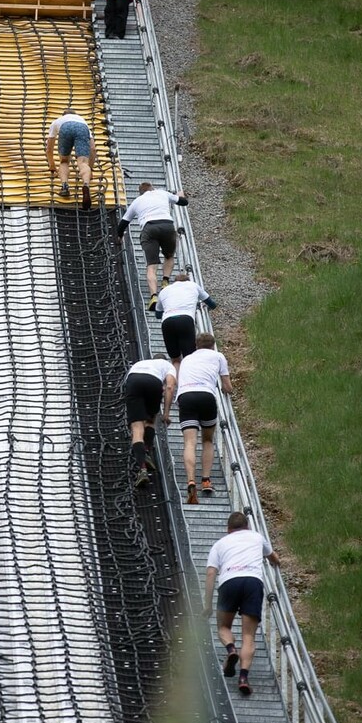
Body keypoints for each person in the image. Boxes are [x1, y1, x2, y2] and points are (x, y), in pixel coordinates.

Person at [203, 511, 281, 697]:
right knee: (249, 636)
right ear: (247, 526)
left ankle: (231, 649)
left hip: (229, 581)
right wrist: (278, 563)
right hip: (253, 582)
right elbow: (273, 558)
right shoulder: (256, 537)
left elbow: (211, 574)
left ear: (228, 529)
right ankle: (244, 678)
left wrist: (207, 605)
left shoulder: (220, 544)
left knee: (223, 626)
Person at [176, 332, 232, 504]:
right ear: (213, 345)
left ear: (196, 345)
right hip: (206, 396)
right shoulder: (218, 356)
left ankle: (190, 480)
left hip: (185, 396)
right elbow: (226, 385)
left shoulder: (187, 359)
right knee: (207, 440)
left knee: (189, 442)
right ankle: (206, 479)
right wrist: (228, 391)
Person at [117, 181, 189, 310]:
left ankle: (153, 297)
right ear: (153, 188)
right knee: (169, 256)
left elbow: (123, 222)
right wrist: (181, 195)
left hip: (149, 228)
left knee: (151, 265)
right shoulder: (162, 193)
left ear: (140, 192)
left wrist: (120, 235)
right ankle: (165, 281)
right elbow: (183, 202)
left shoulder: (137, 201)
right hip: (167, 225)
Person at [124, 354, 176, 489]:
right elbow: (169, 387)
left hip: (133, 380)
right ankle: (146, 450)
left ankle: (142, 469)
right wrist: (165, 413)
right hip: (153, 382)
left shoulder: (140, 363)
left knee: (136, 428)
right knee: (151, 419)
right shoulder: (168, 366)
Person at [155, 273, 217, 370]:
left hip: (167, 321)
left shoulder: (165, 290)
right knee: (189, 358)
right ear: (188, 280)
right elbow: (212, 304)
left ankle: (177, 382)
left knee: (175, 359)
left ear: (174, 282)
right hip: (185, 320)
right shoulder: (193, 285)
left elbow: (158, 315)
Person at [45, 108, 97, 211]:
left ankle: (65, 186)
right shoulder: (83, 122)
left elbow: (49, 148)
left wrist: (52, 165)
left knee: (64, 161)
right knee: (82, 163)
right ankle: (86, 185)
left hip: (65, 128)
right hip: (81, 130)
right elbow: (93, 149)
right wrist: (90, 169)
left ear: (63, 114)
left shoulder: (58, 121)